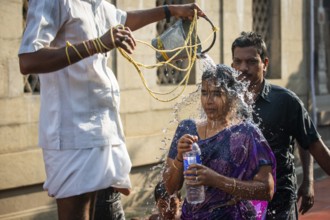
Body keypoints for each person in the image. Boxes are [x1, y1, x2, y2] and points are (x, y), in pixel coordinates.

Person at [18, 1, 206, 219]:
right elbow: (28, 59)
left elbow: (124, 19)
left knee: (107, 208)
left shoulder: (98, 4)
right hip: (72, 134)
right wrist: (97, 45)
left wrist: (171, 10)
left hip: (104, 130)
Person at [231, 31, 330, 219]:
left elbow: (310, 142)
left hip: (279, 206)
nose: (243, 68)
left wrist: (308, 180)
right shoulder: (226, 103)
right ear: (232, 65)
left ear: (265, 64)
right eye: (238, 62)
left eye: (251, 62)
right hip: (239, 206)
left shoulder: (285, 101)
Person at [163, 64, 277, 219]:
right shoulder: (187, 128)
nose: (209, 101)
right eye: (204, 93)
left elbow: (267, 190)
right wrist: (179, 157)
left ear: (232, 96)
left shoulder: (246, 134)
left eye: (217, 93)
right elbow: (170, 188)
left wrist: (217, 180)